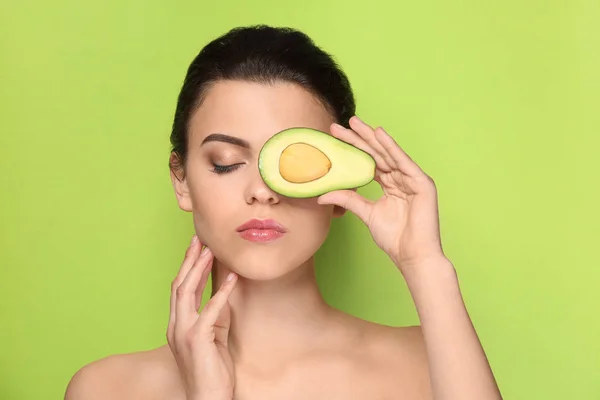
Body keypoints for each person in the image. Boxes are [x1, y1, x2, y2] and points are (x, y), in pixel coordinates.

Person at [65, 24, 502, 400]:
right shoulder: (106, 389)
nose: (261, 192)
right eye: (225, 163)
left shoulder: (431, 365)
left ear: (341, 181)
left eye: (297, 164)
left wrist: (425, 264)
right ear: (182, 180)